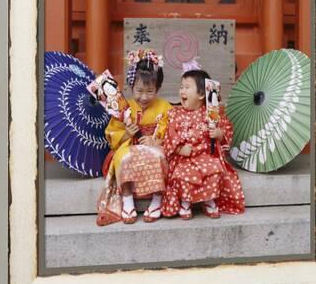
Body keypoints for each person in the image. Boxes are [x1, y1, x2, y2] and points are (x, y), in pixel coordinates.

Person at [161, 62, 245, 220]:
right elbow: (170, 135)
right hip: (184, 158)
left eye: (187, 87)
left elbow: (225, 130)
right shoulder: (175, 114)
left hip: (206, 156)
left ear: (201, 95)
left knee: (214, 170)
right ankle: (185, 202)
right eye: (181, 87)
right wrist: (179, 149)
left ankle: (209, 200)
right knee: (182, 175)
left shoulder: (211, 113)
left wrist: (219, 133)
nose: (182, 91)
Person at [98, 49, 172, 225]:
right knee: (124, 158)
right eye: (138, 90)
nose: (144, 97)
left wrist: (156, 140)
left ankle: (157, 199)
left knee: (158, 155)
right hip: (128, 145)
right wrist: (127, 133)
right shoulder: (123, 108)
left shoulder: (165, 107)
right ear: (130, 86)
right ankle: (127, 198)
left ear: (158, 88)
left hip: (154, 145)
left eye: (150, 91)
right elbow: (112, 135)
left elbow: (173, 132)